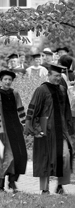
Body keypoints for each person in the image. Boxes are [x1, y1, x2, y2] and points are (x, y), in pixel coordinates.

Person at [24, 64, 74, 194]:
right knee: (45, 159)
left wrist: (69, 128)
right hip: (45, 129)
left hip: (61, 130)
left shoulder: (63, 90)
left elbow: (67, 110)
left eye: (60, 76)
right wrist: (35, 129)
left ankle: (60, 185)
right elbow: (33, 109)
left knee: (65, 156)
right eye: (56, 76)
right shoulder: (41, 90)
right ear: (49, 75)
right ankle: (44, 189)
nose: (58, 78)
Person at [0, 70, 28, 193]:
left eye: (10, 80)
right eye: (5, 79)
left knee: (19, 156)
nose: (8, 82)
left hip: (15, 129)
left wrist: (24, 124)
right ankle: (0, 186)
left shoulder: (15, 93)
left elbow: (20, 109)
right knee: (4, 158)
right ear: (1, 80)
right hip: (0, 131)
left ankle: (12, 181)